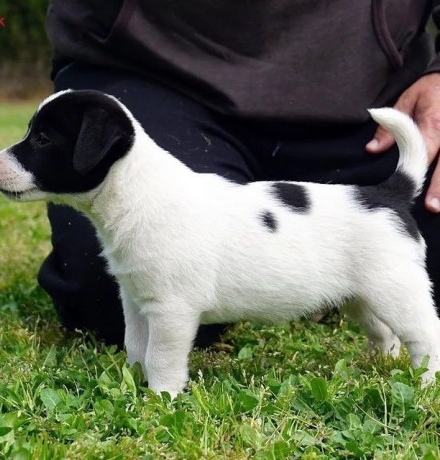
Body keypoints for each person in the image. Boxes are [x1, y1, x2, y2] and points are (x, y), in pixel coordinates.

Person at [40, 1, 440, 347]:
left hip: (374, 101)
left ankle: (392, 332)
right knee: (126, 283)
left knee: (398, 269)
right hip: (157, 72)